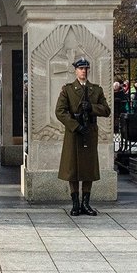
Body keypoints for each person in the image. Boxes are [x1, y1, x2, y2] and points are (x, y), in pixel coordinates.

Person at [56, 57, 111, 216]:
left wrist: (92, 108)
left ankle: (86, 203)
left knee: (88, 169)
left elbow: (106, 110)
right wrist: (75, 125)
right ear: (76, 70)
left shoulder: (96, 90)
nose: (84, 71)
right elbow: (60, 111)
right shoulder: (68, 89)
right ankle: (75, 203)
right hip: (74, 132)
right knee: (72, 168)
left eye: (86, 68)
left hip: (89, 132)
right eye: (81, 68)